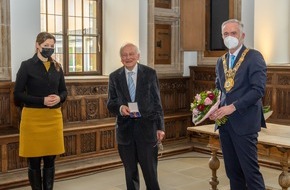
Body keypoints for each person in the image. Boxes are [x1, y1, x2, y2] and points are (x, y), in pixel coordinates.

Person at [209, 19, 267, 190]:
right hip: (225, 124)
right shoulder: (221, 61)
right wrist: (213, 109)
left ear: (242, 35)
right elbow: (220, 90)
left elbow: (258, 90)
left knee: (250, 173)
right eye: (226, 34)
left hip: (245, 122)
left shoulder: (254, 56)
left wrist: (232, 107)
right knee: (233, 172)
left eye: (233, 33)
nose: (230, 37)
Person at [107, 43, 165, 190]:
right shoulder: (114, 77)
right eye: (124, 55)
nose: (128, 57)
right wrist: (120, 108)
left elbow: (157, 102)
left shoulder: (150, 73)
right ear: (121, 59)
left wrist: (160, 127)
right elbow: (110, 103)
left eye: (131, 54)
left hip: (147, 130)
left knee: (150, 174)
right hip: (125, 133)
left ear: (138, 56)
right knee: (130, 173)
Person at [14, 32, 67, 190]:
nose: (49, 49)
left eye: (52, 46)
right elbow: (17, 94)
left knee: (50, 159)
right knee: (34, 161)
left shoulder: (57, 66)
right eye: (46, 46)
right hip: (33, 118)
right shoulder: (27, 65)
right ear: (37, 45)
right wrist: (41, 100)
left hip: (53, 118)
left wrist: (59, 98)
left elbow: (64, 91)